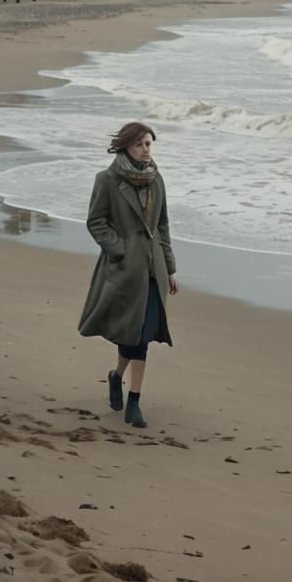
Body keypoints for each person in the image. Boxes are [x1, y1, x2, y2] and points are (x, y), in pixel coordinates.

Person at [79, 122, 179, 427]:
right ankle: (116, 377)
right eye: (140, 145)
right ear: (125, 147)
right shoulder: (107, 180)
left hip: (153, 271)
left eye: (149, 144)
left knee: (143, 336)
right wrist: (119, 249)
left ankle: (134, 401)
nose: (146, 150)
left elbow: (162, 226)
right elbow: (96, 222)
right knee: (131, 335)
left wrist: (170, 268)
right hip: (124, 271)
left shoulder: (156, 179)